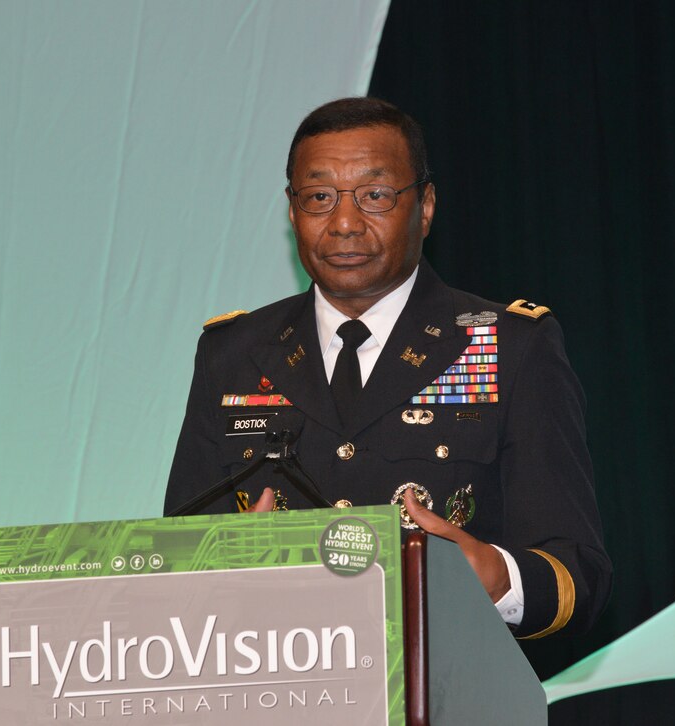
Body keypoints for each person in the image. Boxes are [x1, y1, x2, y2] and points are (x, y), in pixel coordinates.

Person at [165, 97, 611, 638]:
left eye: (375, 195)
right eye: (319, 197)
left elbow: (577, 576)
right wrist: (222, 570)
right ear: (291, 211)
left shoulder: (510, 346)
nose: (345, 223)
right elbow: (175, 562)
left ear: (424, 206)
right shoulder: (232, 353)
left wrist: (498, 577)